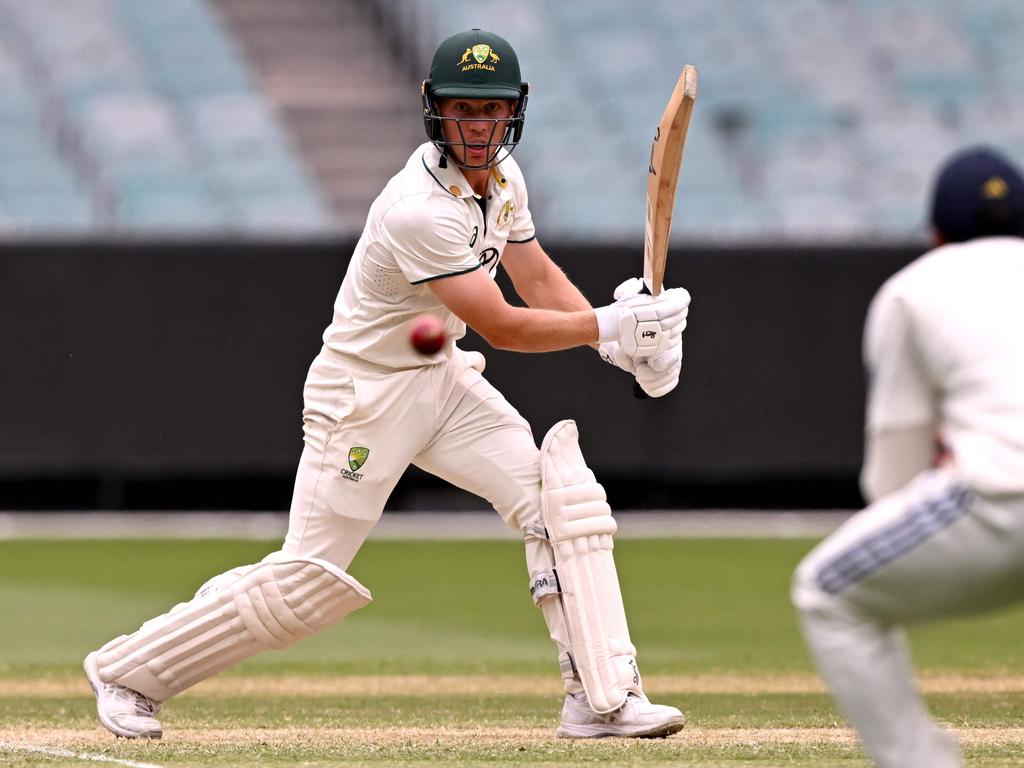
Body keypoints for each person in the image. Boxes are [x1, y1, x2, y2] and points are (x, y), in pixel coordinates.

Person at [83, 29, 691, 740]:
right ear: (434, 111)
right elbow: (501, 323)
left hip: (441, 380)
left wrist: (619, 341)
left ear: (515, 112)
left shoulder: (503, 180)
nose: (479, 126)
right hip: (363, 399)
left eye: (492, 111)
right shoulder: (418, 210)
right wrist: (611, 328)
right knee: (308, 577)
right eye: (464, 110)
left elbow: (535, 278)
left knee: (561, 502)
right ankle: (128, 672)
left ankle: (601, 697)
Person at [792, 146, 1024, 767]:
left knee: (825, 592)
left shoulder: (912, 289)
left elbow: (895, 467)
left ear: (936, 233)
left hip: (1002, 496)